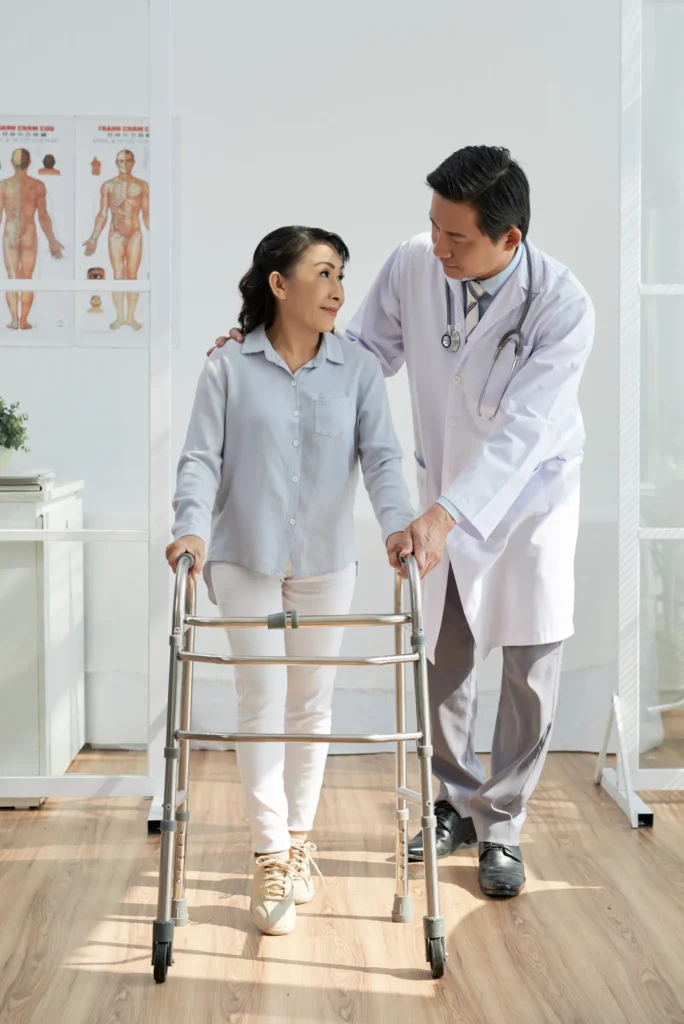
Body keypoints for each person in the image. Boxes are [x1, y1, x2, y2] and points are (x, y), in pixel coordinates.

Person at [214, 146, 595, 899]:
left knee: (528, 672)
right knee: (443, 656)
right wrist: (261, 348)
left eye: (457, 237)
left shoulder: (562, 305)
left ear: (509, 239)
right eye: (434, 228)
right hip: (440, 489)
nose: (439, 247)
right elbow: (357, 354)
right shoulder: (416, 263)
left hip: (531, 504)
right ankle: (451, 803)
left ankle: (504, 826)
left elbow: (525, 428)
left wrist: (447, 514)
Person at [166, 226, 414, 936]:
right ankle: (269, 851)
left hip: (326, 562)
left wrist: (398, 525)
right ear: (280, 284)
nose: (339, 290)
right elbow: (198, 463)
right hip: (243, 556)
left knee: (311, 705)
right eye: (324, 273)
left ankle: (300, 841)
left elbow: (385, 462)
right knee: (262, 698)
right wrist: (190, 527)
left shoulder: (359, 370)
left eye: (342, 276)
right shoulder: (227, 369)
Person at [83, 149, 149, 331]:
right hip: (116, 234)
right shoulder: (108, 186)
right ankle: (120, 317)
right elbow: (102, 214)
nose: (125, 164)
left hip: (135, 233)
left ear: (133, 162)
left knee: (133, 276)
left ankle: (131, 317)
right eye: (121, 160)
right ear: (116, 163)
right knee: (119, 275)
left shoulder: (142, 186)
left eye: (128, 160)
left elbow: (147, 214)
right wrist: (94, 238)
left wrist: (159, 238)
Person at [0, 148, 65, 330]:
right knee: (27, 278)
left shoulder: (4, 185)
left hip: (10, 232)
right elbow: (43, 216)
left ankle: (14, 320)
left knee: (12, 278)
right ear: (29, 164)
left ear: (12, 163)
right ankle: (23, 321)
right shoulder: (37, 185)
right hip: (28, 231)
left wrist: (52, 240)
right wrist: (52, 240)